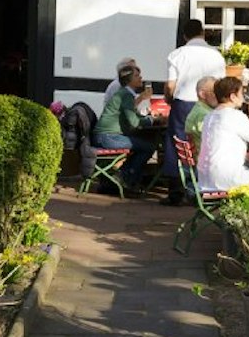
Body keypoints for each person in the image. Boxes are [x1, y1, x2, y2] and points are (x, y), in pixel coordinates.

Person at [161, 20, 225, 206]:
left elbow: (170, 85)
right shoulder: (216, 55)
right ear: (203, 33)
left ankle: (177, 192)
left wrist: (169, 99)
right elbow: (220, 85)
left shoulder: (177, 54)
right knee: (207, 143)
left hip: (184, 104)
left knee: (177, 145)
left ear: (184, 36)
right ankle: (206, 186)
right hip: (208, 103)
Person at [196, 76, 249, 191]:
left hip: (206, 178)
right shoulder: (235, 116)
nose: (243, 97)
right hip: (226, 178)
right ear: (233, 97)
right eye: (241, 94)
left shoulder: (210, 116)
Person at [94, 61, 159, 194]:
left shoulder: (125, 93)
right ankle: (125, 177)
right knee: (148, 147)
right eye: (137, 76)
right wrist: (153, 120)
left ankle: (124, 177)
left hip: (106, 136)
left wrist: (150, 119)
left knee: (142, 144)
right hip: (108, 137)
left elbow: (133, 116)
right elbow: (134, 122)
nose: (141, 78)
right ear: (129, 80)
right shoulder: (126, 95)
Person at [185, 77, 220, 145]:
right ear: (203, 94)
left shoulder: (199, 110)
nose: (220, 96)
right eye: (215, 92)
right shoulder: (204, 114)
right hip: (207, 154)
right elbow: (215, 138)